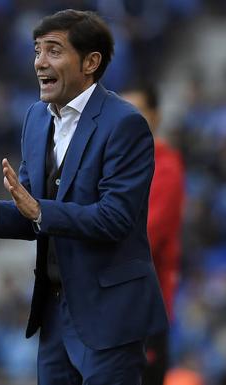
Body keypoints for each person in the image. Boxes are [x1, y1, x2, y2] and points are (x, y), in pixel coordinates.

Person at [0, 9, 168, 385]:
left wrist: (41, 210)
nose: (40, 62)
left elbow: (115, 218)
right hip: (54, 314)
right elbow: (32, 216)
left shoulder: (125, 123)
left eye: (54, 51)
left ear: (90, 62)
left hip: (109, 316)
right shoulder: (36, 118)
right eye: (37, 50)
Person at [121, 85, 185, 385]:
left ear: (156, 117)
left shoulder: (167, 167)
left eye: (136, 111)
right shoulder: (113, 165)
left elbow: (147, 235)